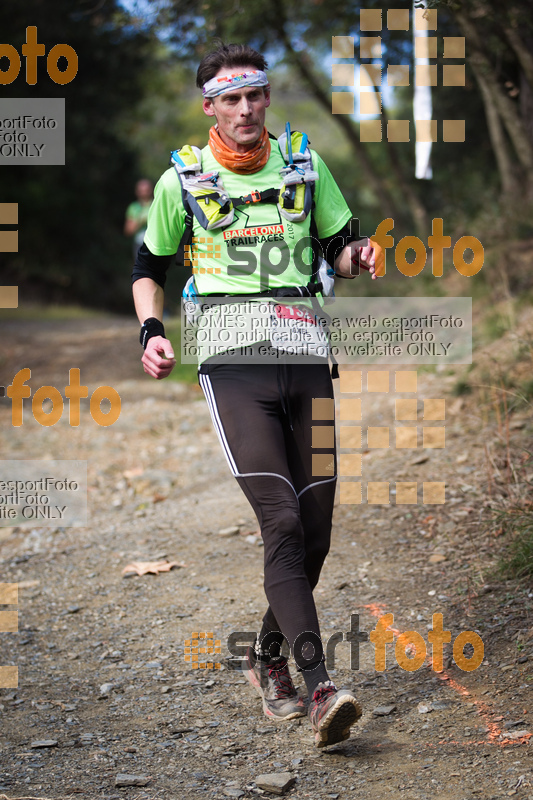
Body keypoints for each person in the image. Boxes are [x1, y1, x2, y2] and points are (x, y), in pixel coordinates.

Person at [131, 43, 377, 748]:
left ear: (267, 98)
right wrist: (150, 328)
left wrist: (354, 257)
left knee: (317, 525)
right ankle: (318, 687)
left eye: (255, 95)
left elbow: (339, 245)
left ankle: (266, 654)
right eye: (229, 99)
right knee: (281, 519)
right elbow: (148, 266)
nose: (244, 109)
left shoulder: (305, 163)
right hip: (232, 360)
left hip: (304, 354)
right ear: (209, 106)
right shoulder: (182, 180)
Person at [124, 178, 154, 259]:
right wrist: (141, 221)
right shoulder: (134, 207)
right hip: (139, 244)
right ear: (137, 191)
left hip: (155, 244)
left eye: (146, 190)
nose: (144, 193)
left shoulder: (156, 205)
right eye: (142, 190)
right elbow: (128, 231)